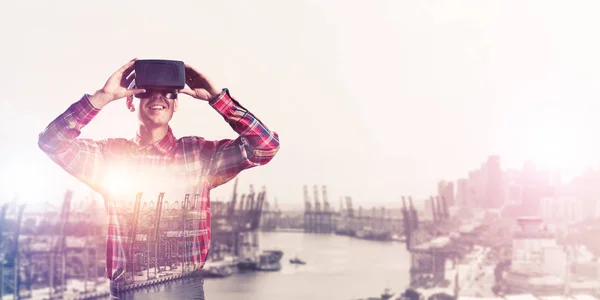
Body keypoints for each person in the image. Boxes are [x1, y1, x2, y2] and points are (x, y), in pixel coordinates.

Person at [38, 58, 280, 299]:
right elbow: (52, 142)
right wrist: (102, 96)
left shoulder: (200, 156)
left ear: (176, 105)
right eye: (147, 91)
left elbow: (266, 146)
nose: (158, 98)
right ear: (130, 102)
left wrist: (219, 99)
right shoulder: (109, 157)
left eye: (168, 93)